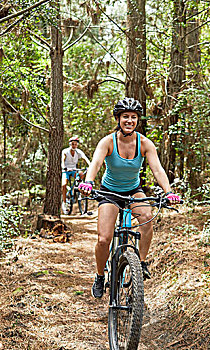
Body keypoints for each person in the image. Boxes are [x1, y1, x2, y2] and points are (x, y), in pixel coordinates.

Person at [78, 97, 181, 298]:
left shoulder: (145, 143)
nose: (129, 121)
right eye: (125, 116)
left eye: (133, 117)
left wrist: (169, 192)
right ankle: (100, 276)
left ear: (137, 120)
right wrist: (89, 182)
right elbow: (96, 163)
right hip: (109, 192)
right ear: (118, 118)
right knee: (104, 239)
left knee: (146, 218)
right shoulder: (108, 142)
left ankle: (141, 263)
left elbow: (158, 170)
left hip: (133, 190)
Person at [62, 136, 91, 213]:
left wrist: (90, 166)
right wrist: (64, 167)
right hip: (66, 170)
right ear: (69, 144)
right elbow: (62, 160)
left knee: (81, 174)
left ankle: (78, 191)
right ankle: (64, 202)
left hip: (74, 170)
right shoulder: (65, 151)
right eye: (72, 144)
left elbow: (85, 158)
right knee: (64, 184)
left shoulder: (78, 152)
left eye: (75, 144)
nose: (74, 146)